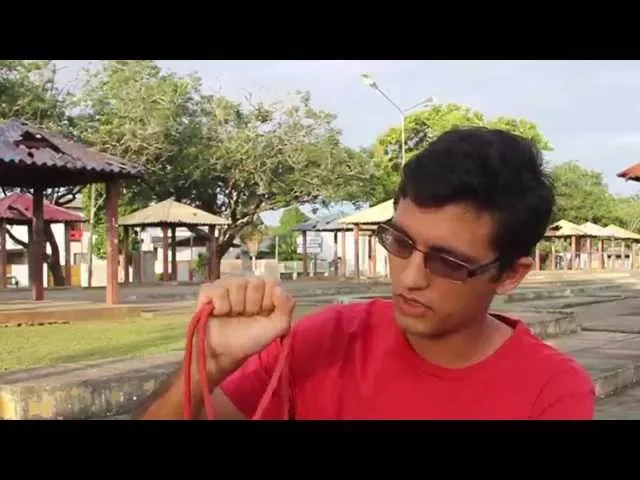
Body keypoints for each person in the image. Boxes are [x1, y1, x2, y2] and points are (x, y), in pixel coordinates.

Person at [136, 126, 595, 420]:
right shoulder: (325, 341)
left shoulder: (550, 393)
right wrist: (209, 364)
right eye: (400, 242)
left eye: (448, 263)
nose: (410, 278)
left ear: (510, 275)